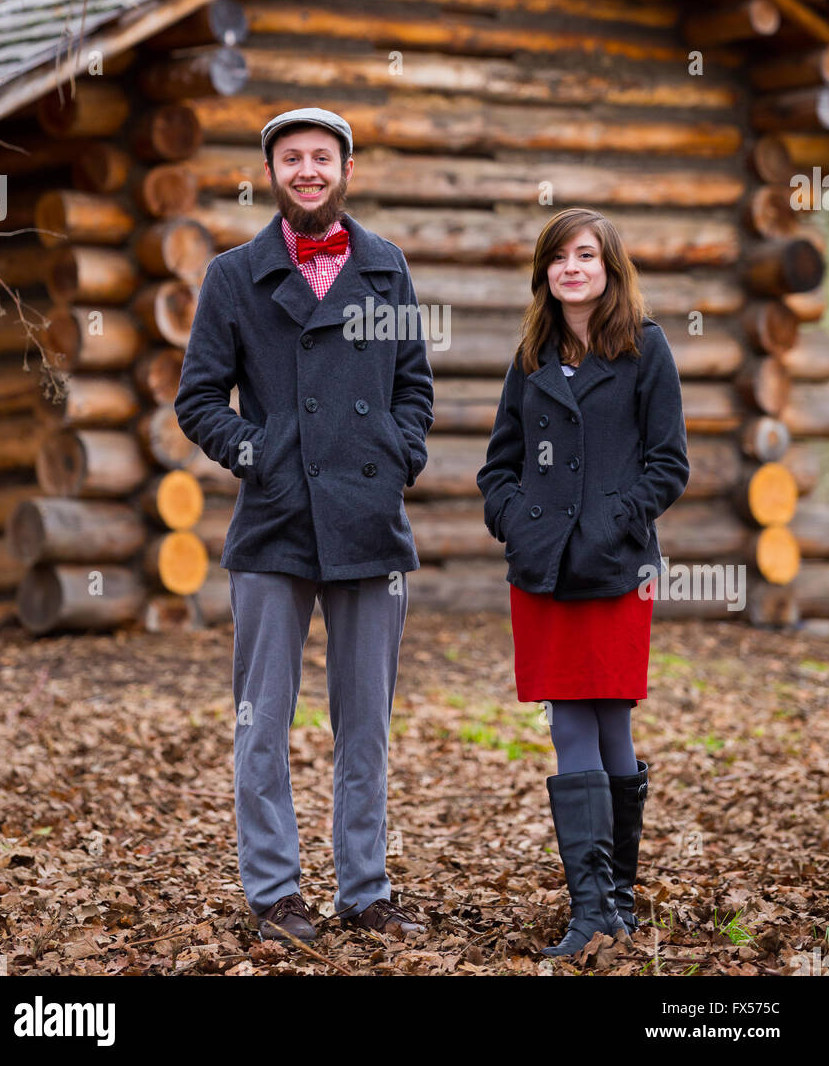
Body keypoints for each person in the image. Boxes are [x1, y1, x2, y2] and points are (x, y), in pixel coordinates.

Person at [175, 106, 434, 945]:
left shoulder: (387, 269)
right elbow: (198, 400)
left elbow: (415, 391)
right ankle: (274, 896)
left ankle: (364, 893)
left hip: (370, 523)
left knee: (365, 727)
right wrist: (259, 453)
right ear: (273, 173)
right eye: (293, 159)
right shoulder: (232, 276)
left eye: (323, 157)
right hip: (273, 526)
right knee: (262, 722)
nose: (308, 170)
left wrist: (396, 452)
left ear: (346, 170)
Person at [477, 206, 689, 957]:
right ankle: (593, 910)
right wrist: (515, 517)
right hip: (542, 570)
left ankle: (616, 901)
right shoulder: (531, 355)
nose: (573, 268)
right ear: (545, 273)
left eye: (586, 255)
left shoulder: (645, 349)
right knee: (570, 719)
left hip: (615, 565)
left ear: (609, 268)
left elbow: (669, 464)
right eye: (559, 257)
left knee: (613, 721)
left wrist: (611, 523)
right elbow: (497, 465)